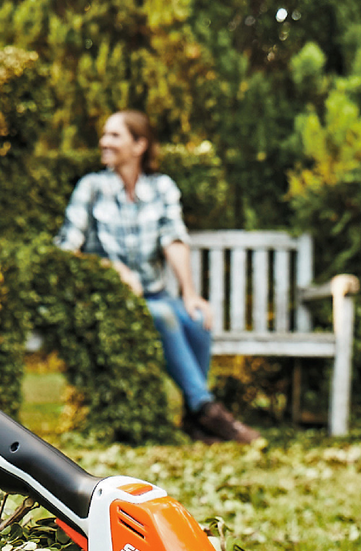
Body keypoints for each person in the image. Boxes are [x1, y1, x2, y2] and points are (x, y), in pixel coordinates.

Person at [56, 110, 260, 444]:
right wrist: (112, 270)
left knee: (195, 319)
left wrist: (191, 294)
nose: (104, 142)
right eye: (104, 135)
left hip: (154, 294)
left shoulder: (161, 187)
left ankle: (194, 419)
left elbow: (174, 240)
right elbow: (67, 249)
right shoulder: (91, 188)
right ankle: (208, 410)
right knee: (165, 314)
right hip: (113, 301)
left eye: (114, 136)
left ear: (139, 145)